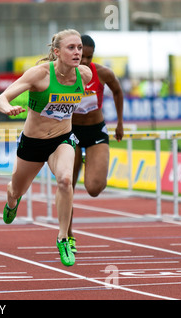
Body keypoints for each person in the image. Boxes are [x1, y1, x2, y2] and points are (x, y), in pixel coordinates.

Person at [0, 29, 92, 267]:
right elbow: (1, 99)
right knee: (17, 190)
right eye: (71, 48)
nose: (77, 52)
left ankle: (63, 238)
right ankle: (11, 201)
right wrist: (7, 108)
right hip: (34, 142)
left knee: (66, 181)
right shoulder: (39, 75)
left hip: (62, 138)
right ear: (57, 52)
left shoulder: (85, 75)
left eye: (79, 48)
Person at [67, 35, 124, 253]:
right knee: (67, 185)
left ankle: (93, 166)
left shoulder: (102, 72)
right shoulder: (63, 74)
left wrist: (119, 122)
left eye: (89, 57)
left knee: (94, 188)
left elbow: (117, 90)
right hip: (70, 132)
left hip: (95, 129)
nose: (84, 61)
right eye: (82, 56)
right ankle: (67, 234)